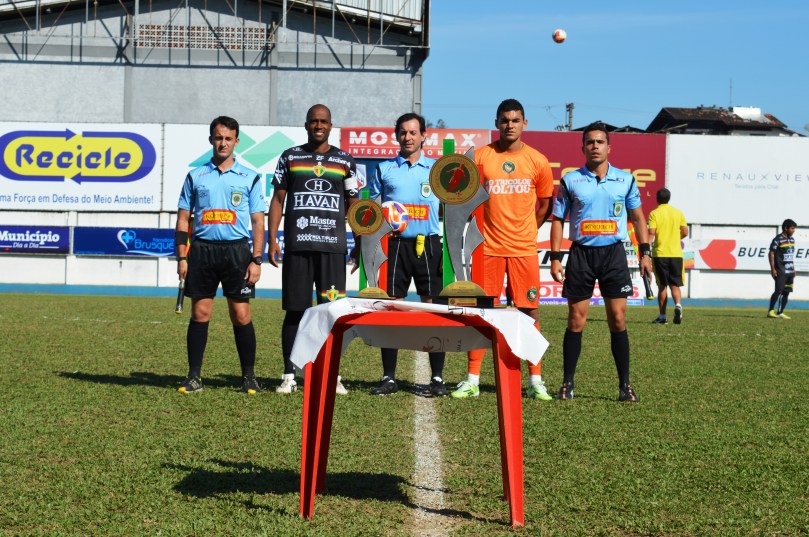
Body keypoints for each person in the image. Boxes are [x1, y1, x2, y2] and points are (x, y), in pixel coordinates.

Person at [451, 98, 554, 401]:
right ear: (496, 123)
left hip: (523, 250)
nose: (510, 125)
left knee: (529, 311)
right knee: (483, 312)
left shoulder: (538, 160)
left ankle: (535, 381)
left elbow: (545, 204)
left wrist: (528, 230)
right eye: (505, 120)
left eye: (515, 120)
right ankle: (472, 379)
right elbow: (463, 196)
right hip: (488, 249)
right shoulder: (481, 157)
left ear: (525, 123)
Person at [549, 121, 653, 402]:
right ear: (583, 147)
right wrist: (556, 258)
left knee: (618, 319)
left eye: (600, 142)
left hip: (613, 255)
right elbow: (558, 220)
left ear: (609, 147)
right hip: (581, 255)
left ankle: (625, 386)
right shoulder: (570, 180)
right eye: (590, 142)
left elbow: (638, 218)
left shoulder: (626, 180)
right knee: (576, 320)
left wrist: (645, 253)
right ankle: (567, 384)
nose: (595, 146)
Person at [268, 104, 359, 394]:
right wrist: (272, 238)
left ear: (331, 125)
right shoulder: (290, 157)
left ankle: (331, 374)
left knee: (332, 313)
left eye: (323, 121)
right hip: (298, 247)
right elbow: (278, 200)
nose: (318, 126)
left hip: (332, 248)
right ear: (306, 124)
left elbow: (353, 204)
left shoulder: (345, 160)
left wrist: (359, 241)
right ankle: (288, 376)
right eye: (313, 121)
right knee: (295, 311)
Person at [175, 116, 266, 395]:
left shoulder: (250, 177)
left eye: (228, 138)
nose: (222, 143)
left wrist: (257, 259)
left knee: (241, 315)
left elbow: (258, 222)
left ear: (236, 141)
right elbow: (183, 219)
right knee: (200, 313)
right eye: (218, 138)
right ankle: (194, 377)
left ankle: (249, 377)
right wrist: (182, 257)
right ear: (211, 140)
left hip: (237, 252)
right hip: (202, 251)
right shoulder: (195, 176)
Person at [363, 112, 448, 396]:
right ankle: (388, 376)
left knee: (433, 309)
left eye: (413, 132)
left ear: (424, 136)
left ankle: (437, 378)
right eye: (403, 132)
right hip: (395, 245)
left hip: (429, 245)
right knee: (392, 308)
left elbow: (453, 205)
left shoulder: (437, 170)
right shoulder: (384, 169)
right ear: (396, 135)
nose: (408, 137)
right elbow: (373, 210)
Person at [648, 188, 688, 325]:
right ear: (669, 198)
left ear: (657, 199)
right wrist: (675, 238)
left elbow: (651, 233)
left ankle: (662, 316)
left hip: (660, 254)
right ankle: (678, 305)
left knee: (662, 286)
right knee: (675, 285)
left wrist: (646, 249)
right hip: (676, 254)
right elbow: (685, 231)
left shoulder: (654, 213)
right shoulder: (678, 213)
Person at [767, 218, 797, 319]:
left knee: (786, 291)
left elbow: (790, 256)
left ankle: (780, 312)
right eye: (792, 228)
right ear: (785, 228)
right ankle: (770, 311)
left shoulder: (792, 239)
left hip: (790, 271)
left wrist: (793, 269)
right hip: (780, 270)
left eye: (794, 228)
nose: (794, 230)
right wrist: (773, 269)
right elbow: (771, 253)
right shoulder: (777, 239)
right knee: (778, 291)